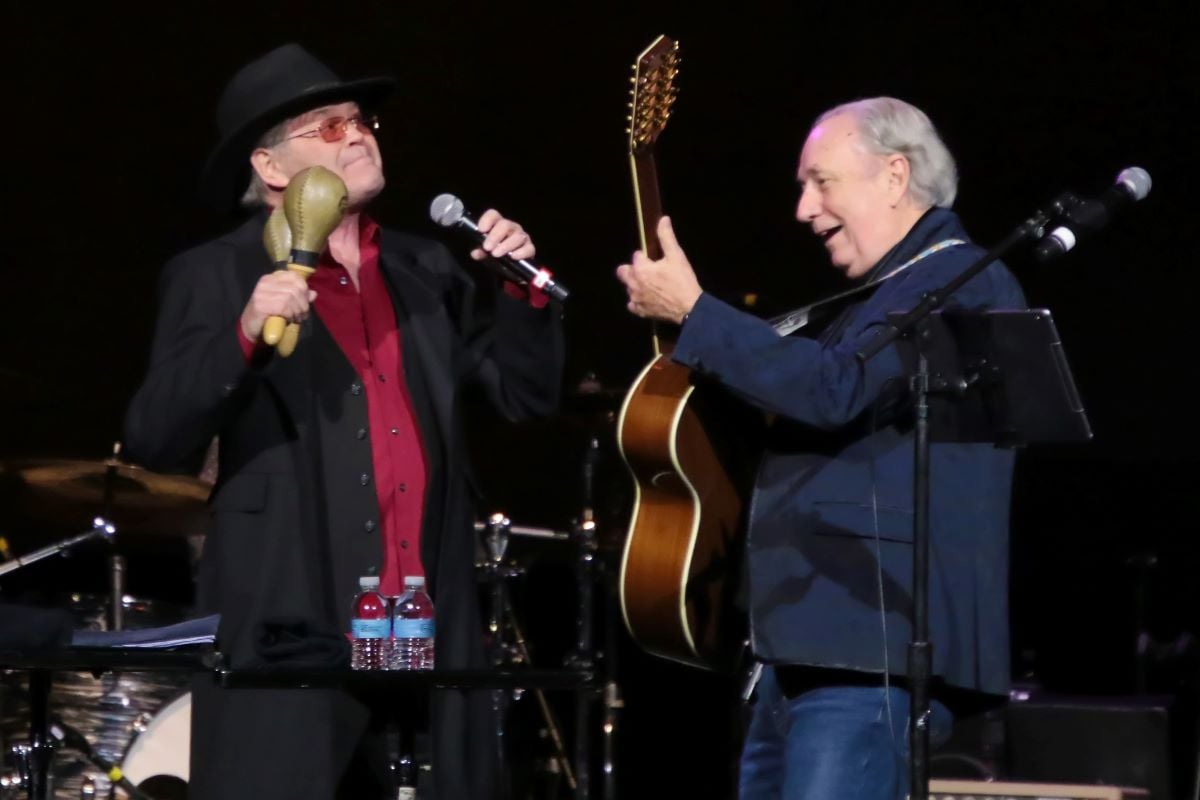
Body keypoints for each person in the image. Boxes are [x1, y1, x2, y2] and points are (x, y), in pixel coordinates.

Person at [123, 43, 564, 800]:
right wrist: (243, 332)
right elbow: (154, 438)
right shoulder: (217, 275)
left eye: (361, 122)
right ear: (269, 167)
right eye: (328, 128)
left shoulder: (426, 272)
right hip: (286, 633)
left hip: (424, 635)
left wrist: (520, 297)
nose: (358, 135)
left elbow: (524, 399)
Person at [616, 96, 1026, 799]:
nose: (804, 210)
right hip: (805, 651)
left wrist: (694, 311)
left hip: (872, 652)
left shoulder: (958, 280)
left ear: (895, 176)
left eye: (821, 181)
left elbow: (836, 390)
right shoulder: (876, 299)